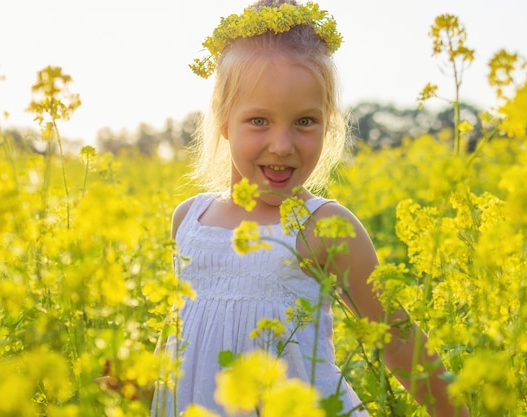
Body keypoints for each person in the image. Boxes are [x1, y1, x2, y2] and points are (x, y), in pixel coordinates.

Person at [151, 1, 470, 416]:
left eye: (304, 121)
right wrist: (144, 386)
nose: (282, 145)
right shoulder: (189, 220)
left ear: (328, 124)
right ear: (224, 119)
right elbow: (182, 335)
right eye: (259, 121)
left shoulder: (326, 227)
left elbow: (398, 341)